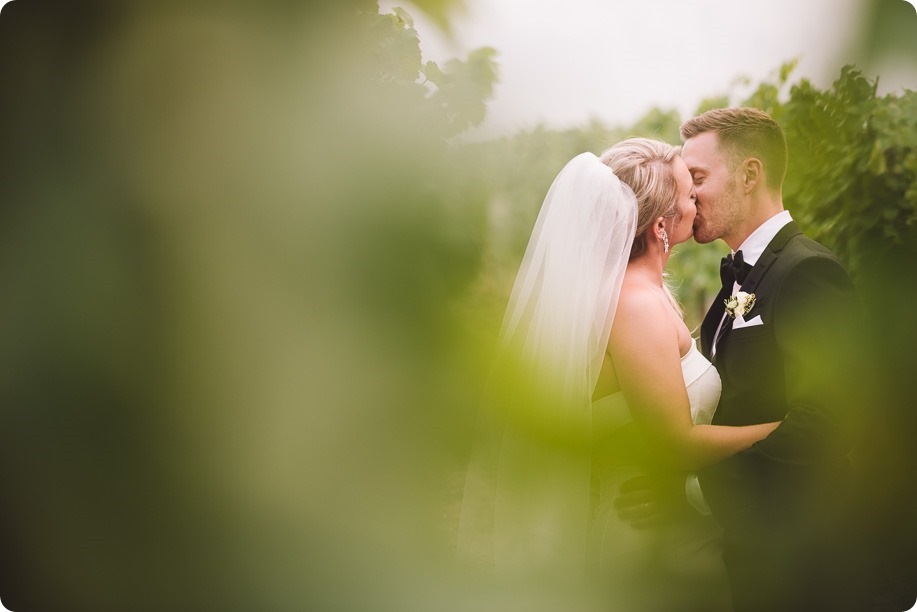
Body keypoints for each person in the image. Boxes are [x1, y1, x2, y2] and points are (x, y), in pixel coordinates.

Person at [456, 138, 778, 609]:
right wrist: (785, 431)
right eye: (690, 193)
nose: (697, 201)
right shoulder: (636, 307)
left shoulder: (648, 292)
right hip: (643, 543)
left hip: (669, 518)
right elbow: (675, 441)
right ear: (662, 225)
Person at [617, 107, 873, 611]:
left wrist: (691, 487)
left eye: (698, 179)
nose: (687, 196)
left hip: (805, 565)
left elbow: (823, 424)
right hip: (749, 557)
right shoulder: (737, 279)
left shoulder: (808, 273)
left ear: (750, 174)